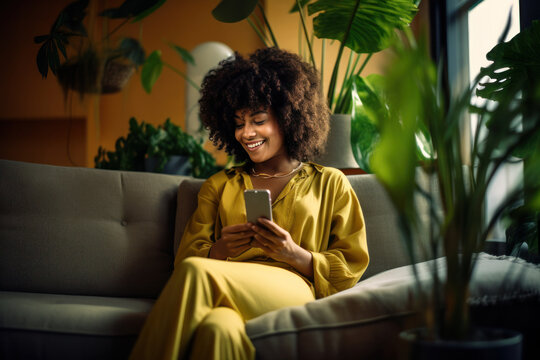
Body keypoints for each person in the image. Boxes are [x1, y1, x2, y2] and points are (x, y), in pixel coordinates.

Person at [129, 47, 369, 360]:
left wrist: (293, 254)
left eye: (258, 120)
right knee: (218, 329)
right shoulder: (219, 185)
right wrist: (221, 250)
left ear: (287, 118)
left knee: (197, 274)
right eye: (239, 123)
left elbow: (351, 266)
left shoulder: (330, 182)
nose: (246, 133)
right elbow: (187, 258)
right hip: (228, 284)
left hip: (293, 287)